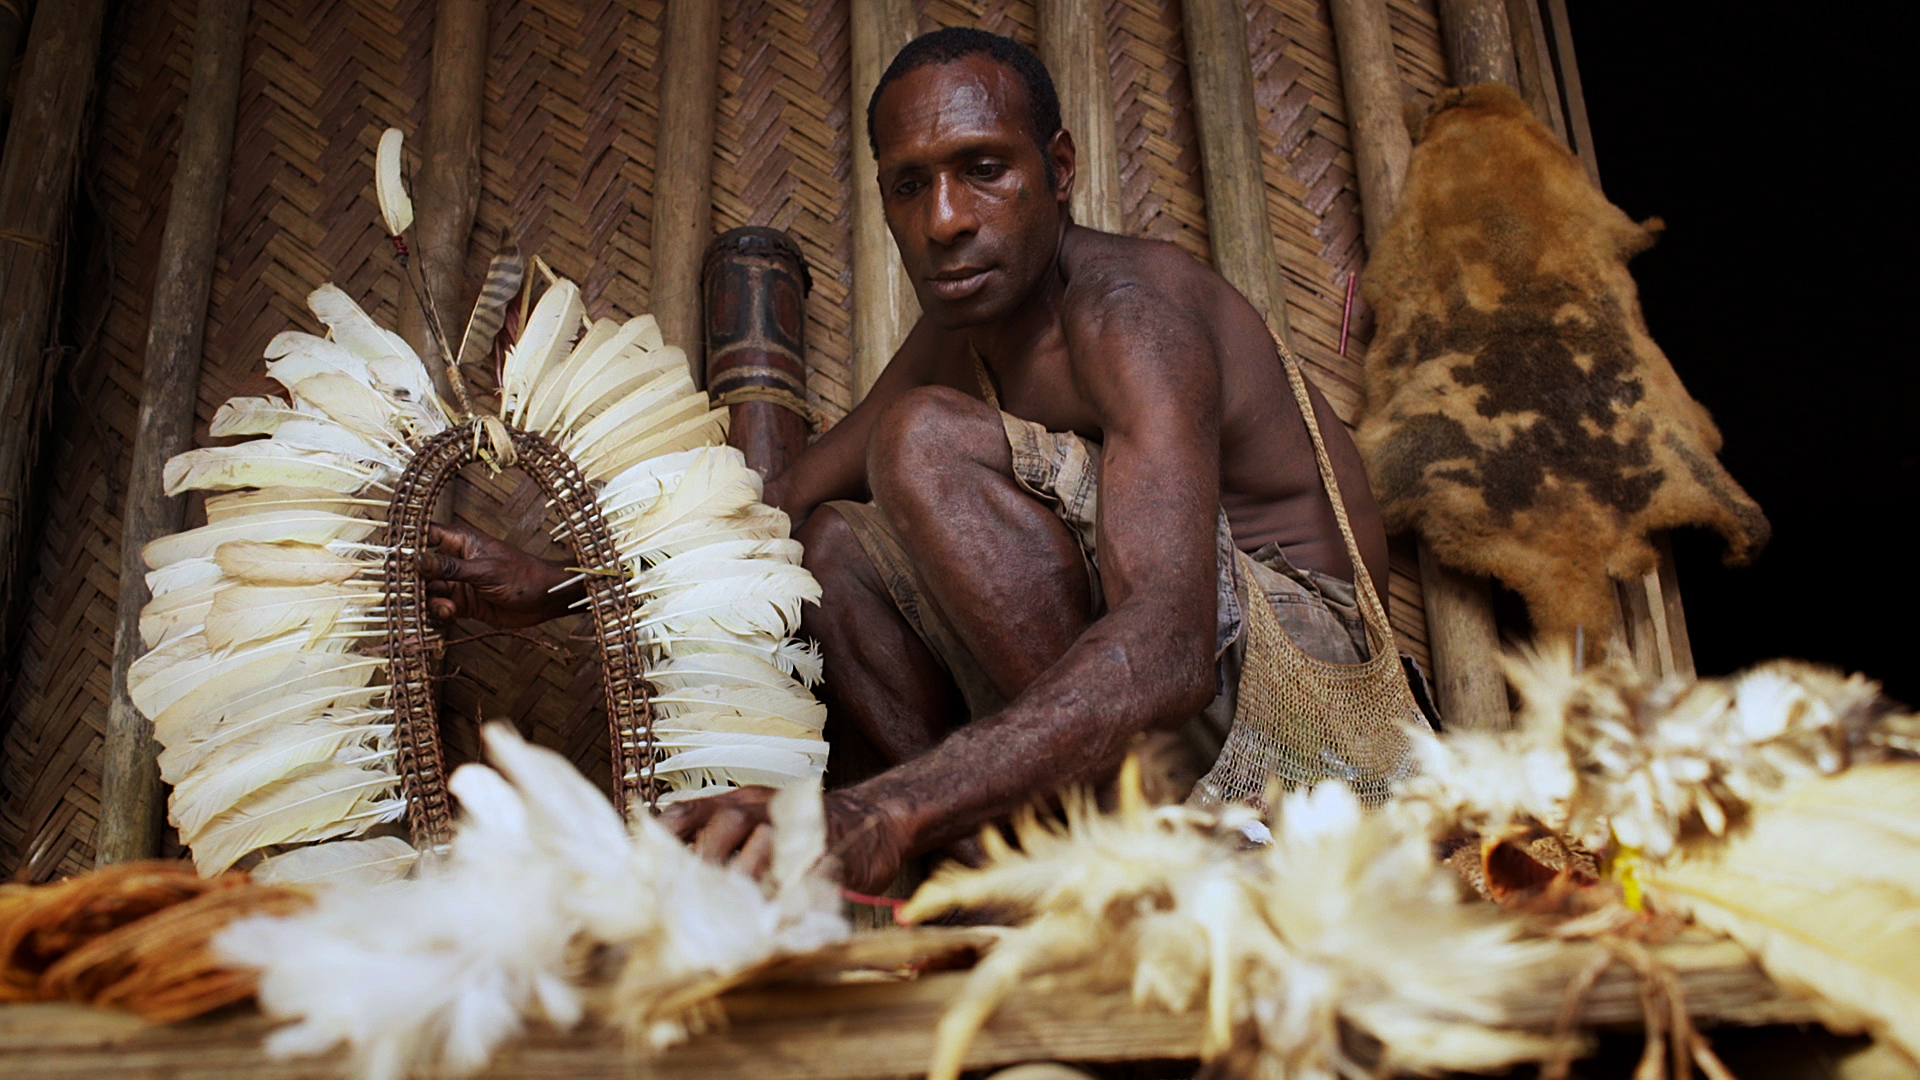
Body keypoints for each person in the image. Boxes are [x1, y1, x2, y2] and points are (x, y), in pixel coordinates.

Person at [422, 28, 1403, 893]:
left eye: (983, 168)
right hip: (1158, 724)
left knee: (922, 443)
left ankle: (1097, 851)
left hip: (1300, 726)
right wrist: (561, 588)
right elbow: (775, 504)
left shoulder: (1132, 315)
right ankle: (1007, 879)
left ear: (1059, 169)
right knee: (830, 546)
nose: (944, 219)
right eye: (910, 183)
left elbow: (1173, 646)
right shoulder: (965, 328)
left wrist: (881, 808)